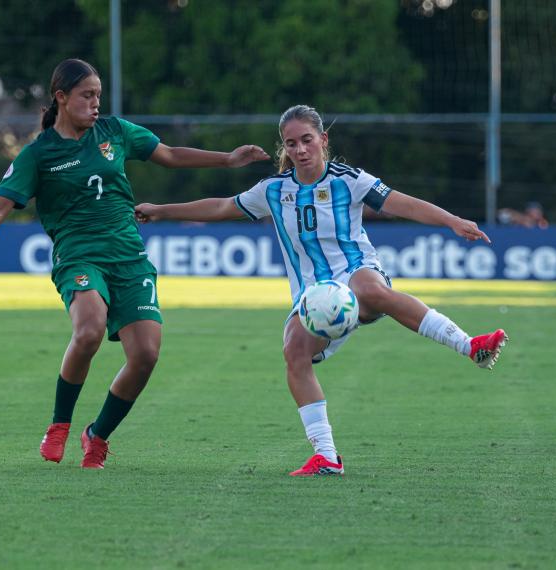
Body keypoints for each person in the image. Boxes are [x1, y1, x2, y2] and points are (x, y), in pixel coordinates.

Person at [135, 104, 508, 476]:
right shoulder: (273, 191)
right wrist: (163, 211)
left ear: (323, 140)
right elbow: (220, 207)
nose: (299, 150)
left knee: (370, 289)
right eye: (291, 143)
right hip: (312, 297)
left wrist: (452, 221)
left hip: (356, 271)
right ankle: (327, 456)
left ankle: (471, 346)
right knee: (293, 353)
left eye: (307, 140)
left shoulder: (350, 180)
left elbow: (403, 203)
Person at [0, 59, 269, 469]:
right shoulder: (39, 155)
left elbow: (171, 154)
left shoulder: (115, 132)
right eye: (87, 95)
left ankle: (97, 435)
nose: (95, 103)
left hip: (129, 257)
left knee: (146, 355)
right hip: (79, 255)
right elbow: (0, 205)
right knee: (88, 330)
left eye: (98, 96)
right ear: (61, 98)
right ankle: (59, 426)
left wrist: (227, 160)